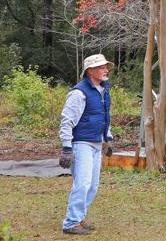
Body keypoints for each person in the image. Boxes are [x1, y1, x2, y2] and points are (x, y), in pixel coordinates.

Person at [59, 53, 113, 235]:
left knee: (92, 185)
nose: (106, 70)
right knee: (82, 184)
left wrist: (109, 137)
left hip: (97, 143)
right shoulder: (78, 92)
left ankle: (79, 218)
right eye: (101, 67)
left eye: (106, 66)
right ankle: (70, 223)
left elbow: (105, 117)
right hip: (81, 143)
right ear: (90, 71)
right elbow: (66, 121)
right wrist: (67, 148)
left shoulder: (104, 89)